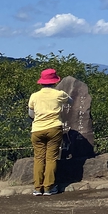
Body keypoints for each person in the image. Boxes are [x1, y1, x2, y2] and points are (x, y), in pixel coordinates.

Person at [28, 68, 72, 196]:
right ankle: (49, 187)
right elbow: (70, 101)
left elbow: (31, 114)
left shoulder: (34, 96)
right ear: (54, 82)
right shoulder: (59, 94)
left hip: (37, 129)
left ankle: (37, 188)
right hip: (54, 128)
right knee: (51, 158)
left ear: (41, 82)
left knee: (39, 158)